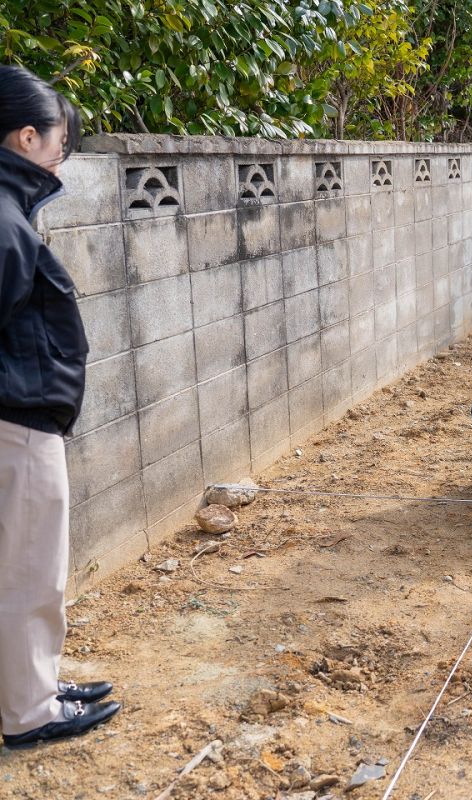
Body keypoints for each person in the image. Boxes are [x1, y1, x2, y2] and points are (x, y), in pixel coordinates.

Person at [0, 65, 121, 748]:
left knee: (15, 568)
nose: (62, 154)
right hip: (16, 421)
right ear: (25, 136)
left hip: (17, 416)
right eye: (58, 141)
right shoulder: (4, 220)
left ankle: (30, 686)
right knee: (29, 573)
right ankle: (31, 713)